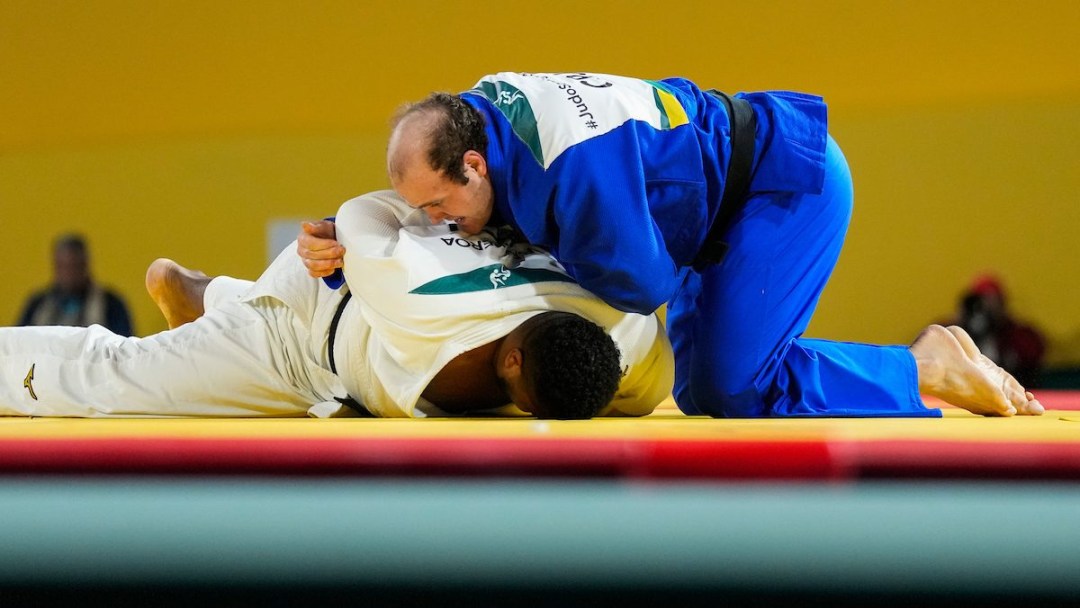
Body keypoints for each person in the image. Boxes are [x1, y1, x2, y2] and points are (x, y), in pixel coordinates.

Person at [297, 71, 1043, 418]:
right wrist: (359, 245)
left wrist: (466, 260)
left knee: (732, 390)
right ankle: (917, 368)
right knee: (701, 386)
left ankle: (923, 368)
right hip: (726, 199)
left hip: (784, 190)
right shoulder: (482, 111)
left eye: (437, 206)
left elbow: (645, 289)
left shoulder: (572, 177)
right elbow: (486, 217)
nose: (435, 222)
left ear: (472, 164)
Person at [0, 191, 673, 419]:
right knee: (112, 381)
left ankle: (206, 293)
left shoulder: (630, 343)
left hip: (350, 358)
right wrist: (333, 237)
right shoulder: (422, 304)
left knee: (269, 331)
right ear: (514, 356)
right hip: (301, 334)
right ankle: (207, 298)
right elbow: (362, 213)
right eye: (524, 401)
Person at [17, 233, 133, 336]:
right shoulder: (38, 304)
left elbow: (122, 346)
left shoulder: (111, 304)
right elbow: (19, 342)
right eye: (63, 266)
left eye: (74, 266)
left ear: (85, 265)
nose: (68, 274)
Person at [944, 274, 1046, 388]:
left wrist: (1000, 326)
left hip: (1011, 389)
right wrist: (961, 324)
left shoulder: (1017, 333)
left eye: (992, 301)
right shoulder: (955, 331)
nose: (986, 308)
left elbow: (1033, 354)